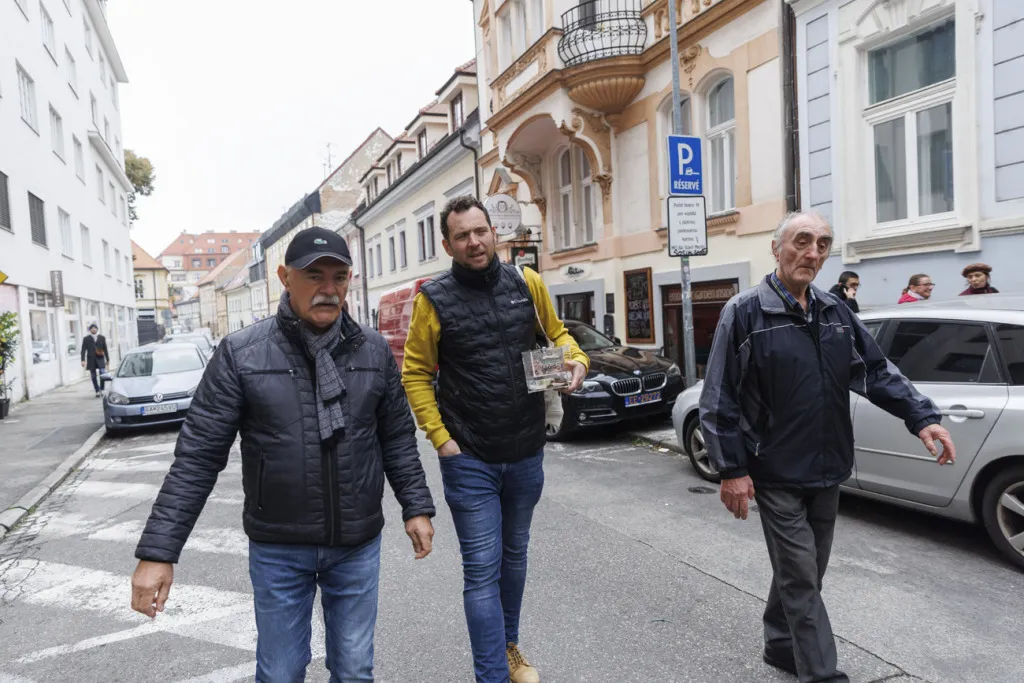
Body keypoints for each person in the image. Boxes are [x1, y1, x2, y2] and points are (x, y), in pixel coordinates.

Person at [130, 227, 436, 682]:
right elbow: (197, 456)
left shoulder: (372, 350)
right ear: (284, 278)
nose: (328, 288)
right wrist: (159, 552)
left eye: (339, 277)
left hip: (356, 544)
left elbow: (396, 437)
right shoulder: (242, 354)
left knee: (355, 670)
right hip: (279, 548)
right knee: (280, 673)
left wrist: (416, 506)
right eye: (314, 276)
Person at [699, 211, 956, 683]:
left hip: (829, 465)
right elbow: (719, 396)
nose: (813, 253)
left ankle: (781, 644)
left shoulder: (835, 311)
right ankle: (822, 675)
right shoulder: (745, 312)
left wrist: (922, 417)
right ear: (776, 248)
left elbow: (875, 371)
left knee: (807, 570)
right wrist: (731, 469)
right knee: (800, 576)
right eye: (802, 241)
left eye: (822, 243)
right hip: (775, 469)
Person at [402, 196, 589, 683]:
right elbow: (415, 373)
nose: (474, 241)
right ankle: (491, 676)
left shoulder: (527, 283)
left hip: (526, 451)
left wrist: (577, 360)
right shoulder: (432, 299)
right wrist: (441, 439)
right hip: (470, 457)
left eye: (480, 231)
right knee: (483, 568)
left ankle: (508, 650)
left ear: (494, 232)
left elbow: (558, 335)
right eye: (462, 235)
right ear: (448, 245)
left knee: (515, 557)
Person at [80, 323, 108, 397]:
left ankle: (102, 389)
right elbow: (83, 350)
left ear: (97, 329)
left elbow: (105, 348)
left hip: (100, 358)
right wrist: (83, 360)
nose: (94, 329)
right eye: (92, 328)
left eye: (95, 328)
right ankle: (97, 390)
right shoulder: (86, 339)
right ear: (90, 330)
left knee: (102, 373)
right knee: (93, 376)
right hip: (91, 359)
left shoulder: (102, 337)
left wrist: (108, 359)